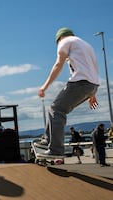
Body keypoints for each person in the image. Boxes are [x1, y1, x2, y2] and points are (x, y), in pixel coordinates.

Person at [38, 27, 99, 156]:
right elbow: (93, 67)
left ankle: (55, 149)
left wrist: (45, 86)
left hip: (80, 83)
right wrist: (93, 92)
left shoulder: (64, 42)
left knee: (56, 109)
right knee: (56, 108)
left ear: (59, 39)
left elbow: (58, 65)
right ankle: (48, 140)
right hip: (91, 85)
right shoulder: (85, 45)